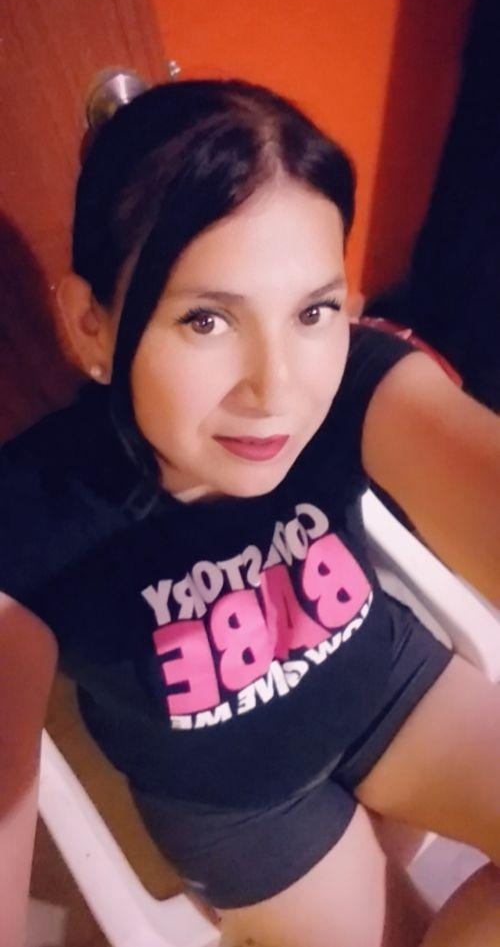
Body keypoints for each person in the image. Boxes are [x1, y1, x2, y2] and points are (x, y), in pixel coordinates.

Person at [1, 78, 499, 947]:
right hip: (244, 806)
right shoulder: (38, 505)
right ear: (89, 324)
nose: (278, 388)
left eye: (313, 310)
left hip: (391, 687)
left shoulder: (355, 380)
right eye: (206, 320)